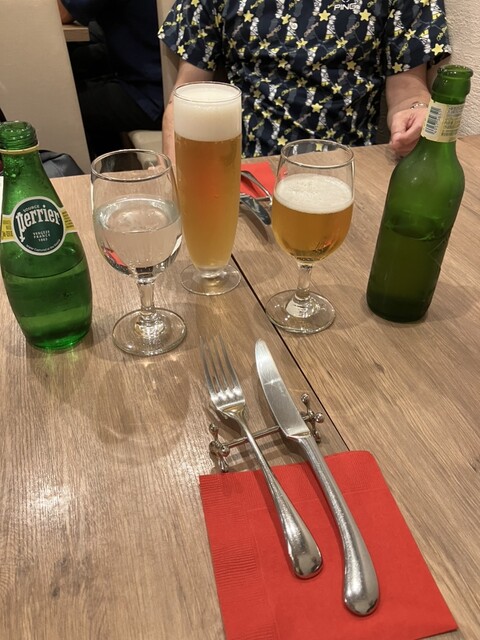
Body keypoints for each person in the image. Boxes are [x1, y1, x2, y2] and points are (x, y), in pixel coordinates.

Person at [158, 0, 451, 160]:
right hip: (246, 173)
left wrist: (416, 112)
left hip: (346, 169)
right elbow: (183, 98)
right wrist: (177, 188)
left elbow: (408, 92)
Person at [57, 0, 164, 158]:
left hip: (153, 96)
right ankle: (110, 162)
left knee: (63, 106)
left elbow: (59, 13)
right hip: (160, 78)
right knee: (79, 62)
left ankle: (105, 165)